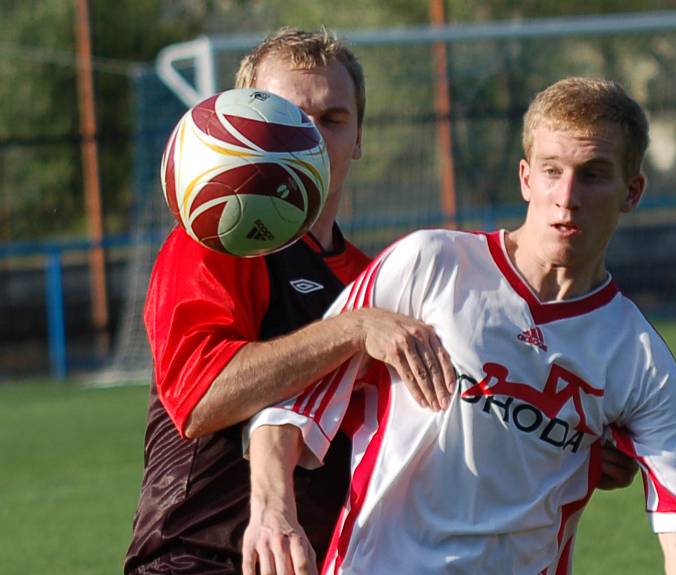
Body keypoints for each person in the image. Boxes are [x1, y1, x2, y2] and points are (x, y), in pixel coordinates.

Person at [243, 77, 676, 575]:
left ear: (633, 192)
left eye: (593, 174)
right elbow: (290, 405)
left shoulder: (640, 358)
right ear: (525, 178)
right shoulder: (430, 264)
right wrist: (271, 511)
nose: (567, 196)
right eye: (551, 171)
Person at [123, 28, 459, 575]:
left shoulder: (371, 277)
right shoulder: (218, 238)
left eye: (333, 120)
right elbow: (201, 398)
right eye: (288, 118)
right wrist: (351, 329)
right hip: (200, 555)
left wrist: (580, 449)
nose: (311, 139)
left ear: (359, 139)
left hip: (317, 560)